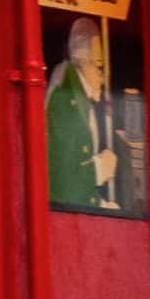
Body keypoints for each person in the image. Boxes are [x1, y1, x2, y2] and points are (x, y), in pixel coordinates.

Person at [44, 13, 133, 215]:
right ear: (83, 61)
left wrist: (100, 205)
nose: (103, 77)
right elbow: (61, 178)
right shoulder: (66, 101)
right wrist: (99, 169)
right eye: (99, 66)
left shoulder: (80, 101)